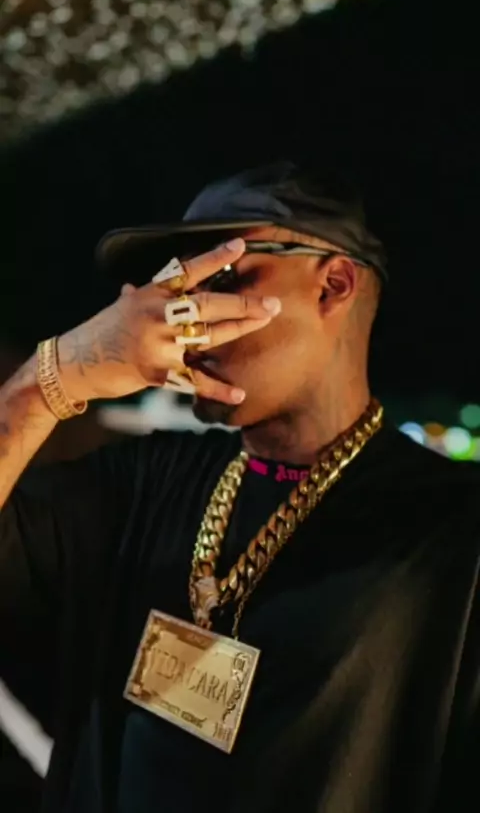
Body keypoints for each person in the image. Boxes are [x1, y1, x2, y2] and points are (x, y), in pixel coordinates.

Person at [0, 161, 479, 813]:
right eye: (176, 282)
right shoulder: (140, 482)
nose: (184, 313)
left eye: (220, 277)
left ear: (333, 285)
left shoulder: (451, 531)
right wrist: (52, 380)